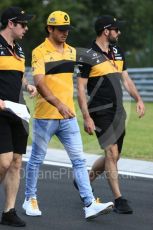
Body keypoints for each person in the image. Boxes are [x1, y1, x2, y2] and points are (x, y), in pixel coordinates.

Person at [22, 10, 113, 220]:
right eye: (61, 29)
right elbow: (40, 81)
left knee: (79, 160)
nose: (65, 33)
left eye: (67, 29)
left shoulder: (72, 52)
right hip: (46, 116)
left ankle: (89, 203)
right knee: (36, 159)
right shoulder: (39, 51)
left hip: (68, 118)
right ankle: (29, 198)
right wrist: (58, 105)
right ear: (50, 29)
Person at [77, 15, 145, 214]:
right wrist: (86, 116)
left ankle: (84, 181)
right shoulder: (88, 55)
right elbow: (80, 89)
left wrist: (139, 99)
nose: (119, 32)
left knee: (115, 156)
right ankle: (119, 199)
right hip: (99, 111)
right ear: (106, 31)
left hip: (118, 110)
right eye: (116, 29)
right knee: (111, 153)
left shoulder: (117, 51)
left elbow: (126, 79)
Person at [0, 6, 37, 227]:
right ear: (10, 24)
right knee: (3, 162)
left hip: (18, 111)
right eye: (22, 24)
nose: (26, 28)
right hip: (0, 112)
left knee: (15, 163)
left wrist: (27, 85)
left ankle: (9, 211)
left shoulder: (20, 50)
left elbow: (18, 74)